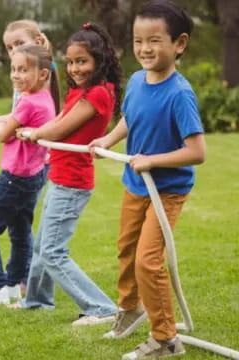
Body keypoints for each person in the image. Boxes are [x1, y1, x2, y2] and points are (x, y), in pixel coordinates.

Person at [88, 1, 206, 358]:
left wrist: (152, 160)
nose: (144, 48)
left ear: (179, 44)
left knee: (148, 260)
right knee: (126, 249)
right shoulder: (138, 80)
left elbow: (197, 151)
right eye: (138, 40)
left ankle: (166, 339)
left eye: (154, 40)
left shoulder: (180, 94)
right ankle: (130, 309)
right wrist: (107, 139)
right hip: (135, 184)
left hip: (166, 190)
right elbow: (130, 119)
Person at [11, 24, 121, 326]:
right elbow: (61, 116)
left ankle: (102, 308)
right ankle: (36, 300)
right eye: (71, 62)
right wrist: (36, 131)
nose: (75, 68)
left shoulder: (98, 93)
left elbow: (60, 128)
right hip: (60, 176)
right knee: (42, 245)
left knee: (53, 252)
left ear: (101, 60)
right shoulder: (83, 90)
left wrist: (35, 133)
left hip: (73, 182)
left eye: (82, 61)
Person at [0, 19, 60, 295]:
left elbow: (8, 131)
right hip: (31, 171)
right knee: (20, 230)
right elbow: (14, 120)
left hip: (21, 172)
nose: (14, 52)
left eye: (20, 44)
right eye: (10, 48)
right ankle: (16, 281)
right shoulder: (32, 89)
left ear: (38, 42)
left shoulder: (38, 86)